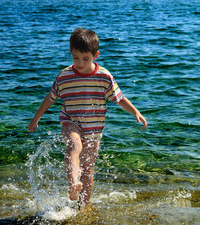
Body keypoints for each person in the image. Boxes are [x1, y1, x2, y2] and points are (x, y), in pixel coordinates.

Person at [28, 28, 147, 208]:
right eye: (75, 57)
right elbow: (50, 98)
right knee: (74, 146)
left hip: (94, 129)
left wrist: (136, 112)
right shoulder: (64, 76)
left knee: (88, 171)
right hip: (70, 120)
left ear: (96, 55)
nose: (80, 63)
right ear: (71, 54)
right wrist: (36, 118)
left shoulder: (104, 77)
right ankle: (73, 184)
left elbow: (119, 98)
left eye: (85, 58)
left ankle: (83, 208)